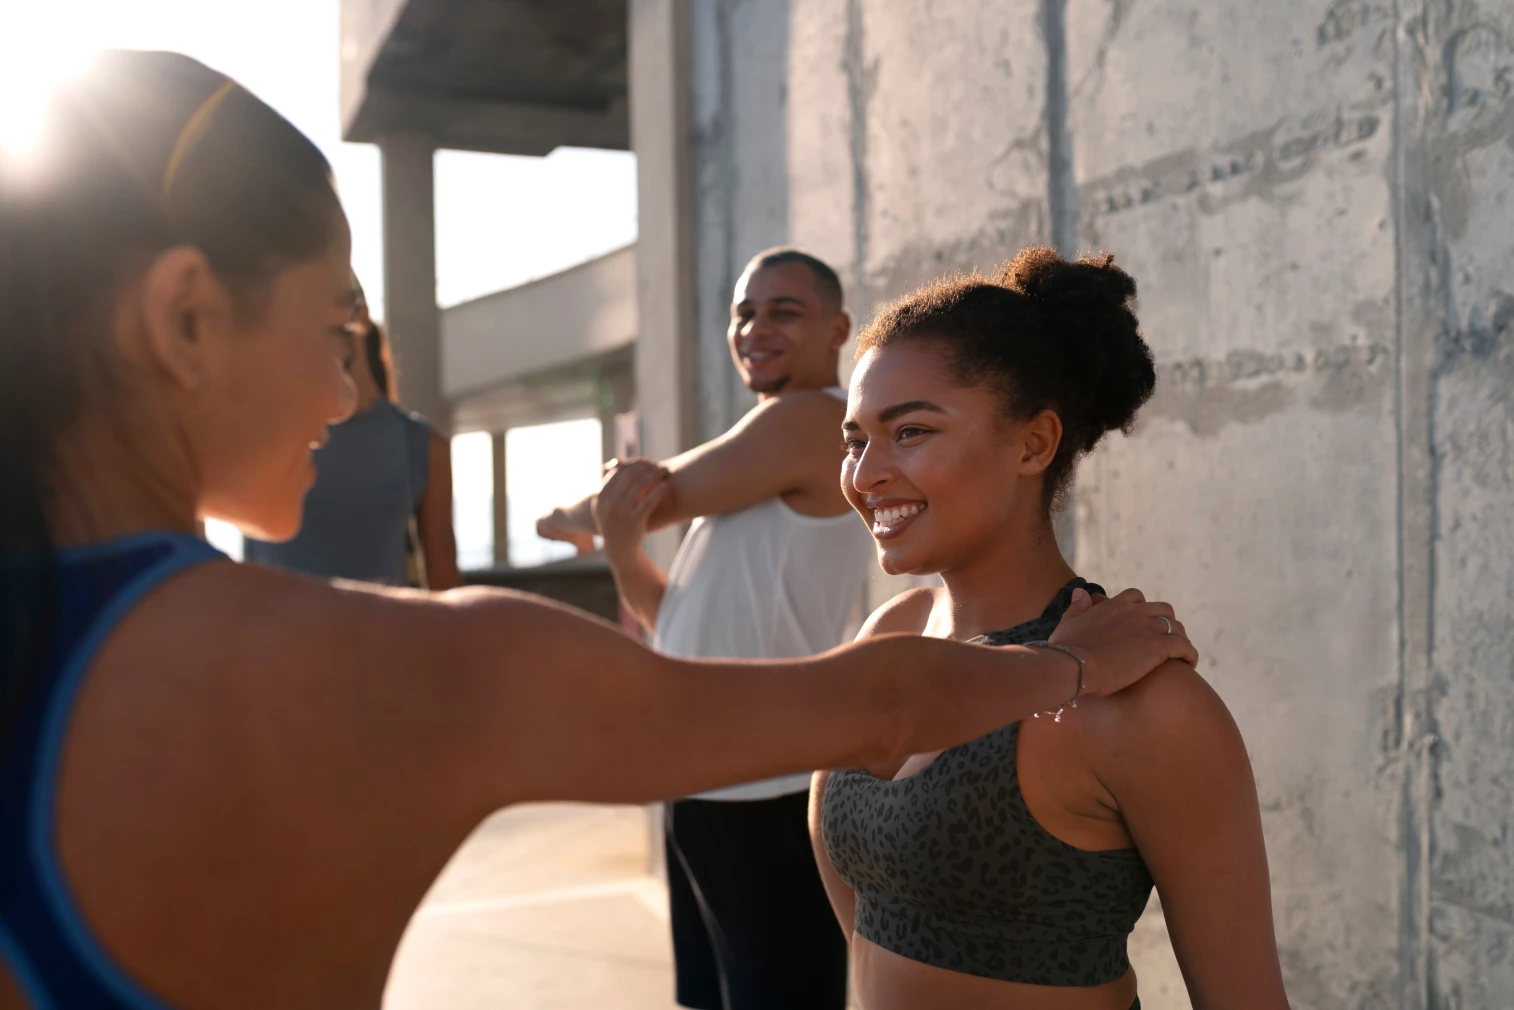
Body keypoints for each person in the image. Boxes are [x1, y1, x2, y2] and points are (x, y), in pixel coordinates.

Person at [0, 52, 1197, 1010]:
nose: (339, 391)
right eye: (331, 329)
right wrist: (1074, 660)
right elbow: (878, 709)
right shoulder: (392, 671)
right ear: (184, 317)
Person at [810, 249, 1289, 1010]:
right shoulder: (889, 633)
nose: (864, 475)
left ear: (1033, 444)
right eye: (855, 439)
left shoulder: (1146, 705)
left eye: (910, 433)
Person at [538, 247, 873, 1010]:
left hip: (767, 783)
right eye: (743, 313)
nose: (756, 327)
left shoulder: (815, 419)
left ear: (837, 328)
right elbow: (674, 621)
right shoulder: (754, 458)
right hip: (708, 783)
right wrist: (619, 547)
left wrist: (573, 517)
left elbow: (644, 495)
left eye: (784, 310)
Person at [243, 285, 461, 589]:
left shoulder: (422, 445)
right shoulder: (259, 432)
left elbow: (445, 586)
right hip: (271, 634)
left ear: (359, 316)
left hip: (383, 635)